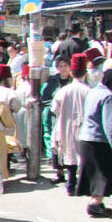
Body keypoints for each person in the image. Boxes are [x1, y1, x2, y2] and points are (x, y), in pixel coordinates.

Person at [78, 67, 112, 217]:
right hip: (99, 141)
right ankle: (95, 204)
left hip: (86, 138)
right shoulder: (108, 96)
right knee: (104, 173)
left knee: (93, 173)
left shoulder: (93, 91)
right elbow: (108, 123)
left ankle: (95, 201)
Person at [51, 55, 92, 197]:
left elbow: (54, 109)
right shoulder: (89, 91)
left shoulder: (62, 91)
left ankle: (70, 184)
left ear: (72, 73)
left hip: (65, 126)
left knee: (69, 153)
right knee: (81, 155)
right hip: (84, 128)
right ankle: (81, 185)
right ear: (85, 73)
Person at [41, 56, 73, 184]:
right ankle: (59, 173)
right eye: (61, 66)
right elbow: (45, 98)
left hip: (70, 117)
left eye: (65, 65)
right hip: (55, 116)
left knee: (70, 145)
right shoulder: (52, 81)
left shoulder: (73, 81)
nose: (63, 68)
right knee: (56, 144)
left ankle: (71, 173)